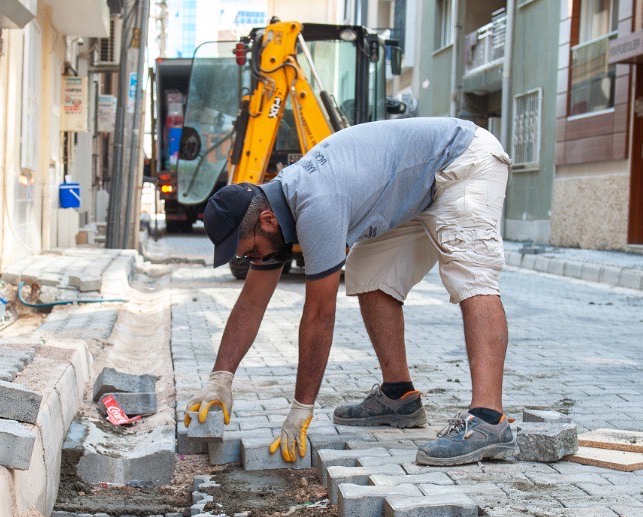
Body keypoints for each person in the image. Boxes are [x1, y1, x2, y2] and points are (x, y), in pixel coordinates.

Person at [182, 115, 514, 466]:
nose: (253, 259)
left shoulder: (316, 205)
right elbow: (250, 304)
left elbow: (319, 316)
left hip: (462, 160)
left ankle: (489, 420)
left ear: (266, 220)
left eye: (250, 250)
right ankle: (399, 396)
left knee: (471, 276)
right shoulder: (275, 211)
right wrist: (221, 378)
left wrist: (301, 408)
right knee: (368, 271)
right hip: (419, 184)